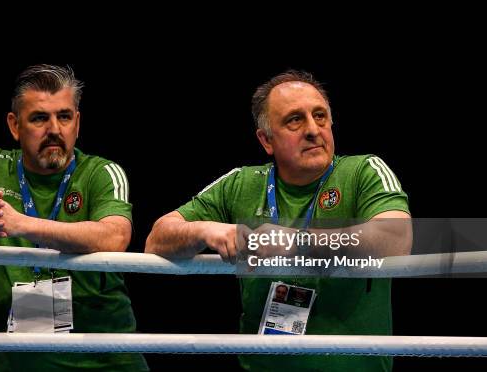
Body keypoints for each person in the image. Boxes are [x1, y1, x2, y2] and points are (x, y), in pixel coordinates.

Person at [146, 70, 411, 371]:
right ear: (266, 140)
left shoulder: (364, 170)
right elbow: (157, 239)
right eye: (295, 120)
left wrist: (297, 243)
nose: (313, 129)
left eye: (320, 116)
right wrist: (206, 230)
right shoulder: (241, 182)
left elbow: (397, 238)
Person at [0, 64, 148, 371]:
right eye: (39, 118)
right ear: (15, 125)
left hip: (105, 362)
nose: (54, 129)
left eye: (64, 116)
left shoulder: (101, 172)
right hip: (18, 362)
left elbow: (115, 236)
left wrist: (21, 223)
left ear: (77, 123)